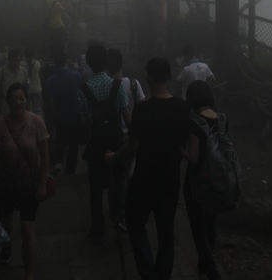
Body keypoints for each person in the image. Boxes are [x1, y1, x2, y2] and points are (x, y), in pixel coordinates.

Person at [106, 57, 190, 280]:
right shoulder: (182, 107)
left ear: (149, 78)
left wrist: (115, 156)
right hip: (170, 179)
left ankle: (147, 273)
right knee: (166, 232)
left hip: (144, 179)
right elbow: (183, 143)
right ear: (170, 77)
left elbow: (133, 144)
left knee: (134, 224)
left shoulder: (143, 109)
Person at [0, 83, 50, 275]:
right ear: (8, 102)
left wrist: (42, 184)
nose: (18, 102)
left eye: (22, 98)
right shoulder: (0, 124)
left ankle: (29, 274)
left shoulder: (36, 121)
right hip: (5, 183)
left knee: (27, 230)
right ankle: (6, 246)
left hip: (29, 183)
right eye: (14, 99)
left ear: (27, 100)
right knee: (6, 225)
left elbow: (45, 155)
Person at [77, 44, 130, 242]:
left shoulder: (83, 89)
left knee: (95, 186)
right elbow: (126, 113)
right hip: (116, 142)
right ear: (106, 62)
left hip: (96, 143)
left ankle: (98, 225)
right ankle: (118, 216)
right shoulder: (117, 85)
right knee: (119, 178)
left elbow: (82, 121)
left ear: (89, 64)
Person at [183, 80, 228, 280]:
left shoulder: (195, 123)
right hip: (218, 179)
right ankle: (205, 263)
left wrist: (178, 147)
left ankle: (211, 268)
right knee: (211, 222)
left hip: (197, 182)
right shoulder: (223, 119)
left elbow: (193, 157)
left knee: (197, 225)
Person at [106, 48, 144, 232]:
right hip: (131, 133)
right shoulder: (134, 84)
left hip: (111, 135)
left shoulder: (105, 85)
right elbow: (141, 107)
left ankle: (117, 211)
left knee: (116, 175)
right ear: (122, 64)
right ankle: (126, 212)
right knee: (129, 175)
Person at [45, 48, 82, 175]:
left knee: (59, 140)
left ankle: (57, 163)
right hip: (74, 115)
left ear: (55, 63)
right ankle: (70, 168)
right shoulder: (76, 76)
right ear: (66, 61)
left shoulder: (51, 80)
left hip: (59, 115)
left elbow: (50, 101)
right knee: (73, 143)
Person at [18, 47, 43, 115]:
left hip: (26, 89)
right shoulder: (37, 63)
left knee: (26, 110)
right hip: (37, 88)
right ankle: (38, 123)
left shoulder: (21, 64)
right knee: (37, 110)